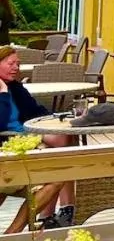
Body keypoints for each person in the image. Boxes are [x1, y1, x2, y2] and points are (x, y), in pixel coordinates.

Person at [0, 45, 77, 231]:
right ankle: (58, 211)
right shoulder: (5, 90)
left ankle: (53, 213)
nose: (16, 68)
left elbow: (35, 110)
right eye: (11, 63)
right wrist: (2, 94)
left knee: (65, 141)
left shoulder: (15, 87)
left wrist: (54, 119)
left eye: (18, 64)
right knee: (58, 164)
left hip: (24, 141)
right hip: (8, 148)